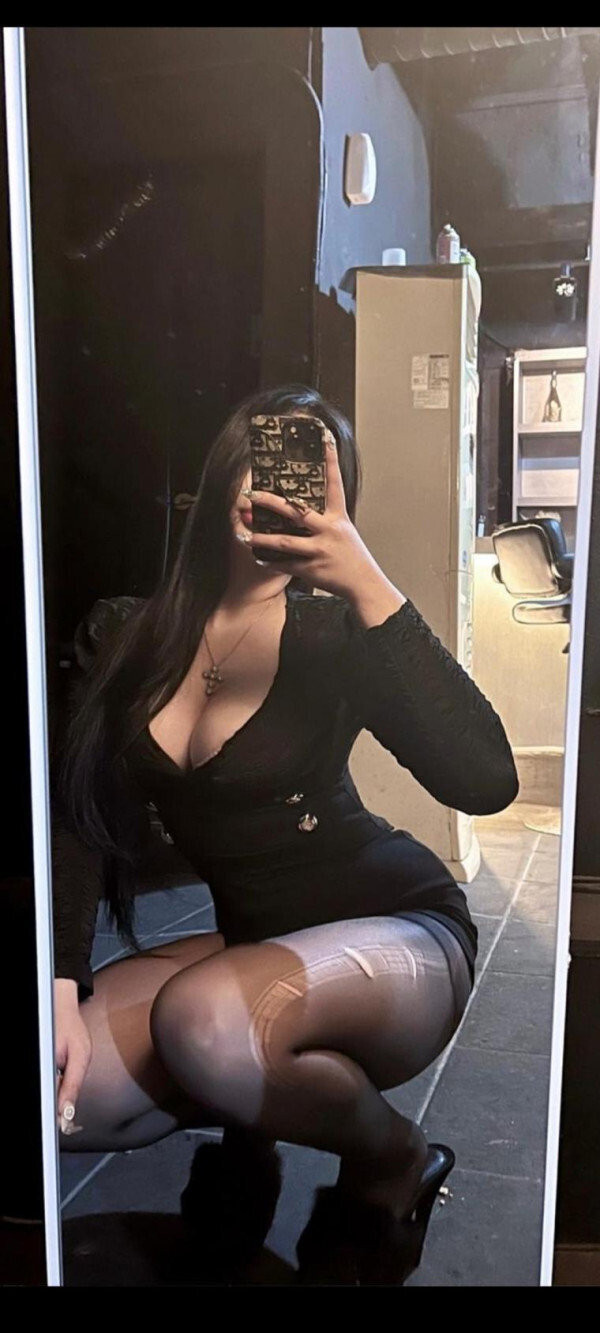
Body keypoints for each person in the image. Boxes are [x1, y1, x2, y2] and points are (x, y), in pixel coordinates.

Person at [51, 383, 519, 1285]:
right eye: (262, 456)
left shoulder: (335, 634)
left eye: (308, 467)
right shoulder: (126, 634)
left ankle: (391, 1156)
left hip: (396, 930)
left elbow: (486, 779)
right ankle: (251, 1117)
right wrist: (63, 979)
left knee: (204, 1020)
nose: (276, 484)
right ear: (224, 468)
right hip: (253, 943)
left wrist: (363, 577)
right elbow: (78, 814)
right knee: (63, 1089)